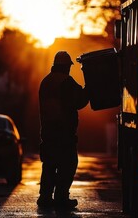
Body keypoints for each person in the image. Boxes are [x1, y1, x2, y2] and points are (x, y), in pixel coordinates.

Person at [37, 51, 89, 209]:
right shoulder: (66, 82)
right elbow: (79, 101)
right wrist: (89, 88)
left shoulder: (45, 82)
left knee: (50, 166)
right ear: (66, 66)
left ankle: (45, 197)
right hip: (63, 133)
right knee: (68, 165)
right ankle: (61, 198)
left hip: (47, 132)